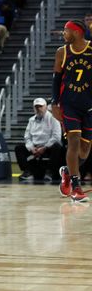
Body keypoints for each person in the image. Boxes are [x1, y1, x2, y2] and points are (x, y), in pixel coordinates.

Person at [53, 20, 92, 201]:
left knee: (84, 151)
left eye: (66, 31)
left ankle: (68, 172)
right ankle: (76, 186)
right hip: (69, 104)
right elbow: (56, 79)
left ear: (76, 33)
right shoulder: (62, 52)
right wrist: (54, 103)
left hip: (89, 106)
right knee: (73, 142)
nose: (63, 34)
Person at [15, 98, 63, 182]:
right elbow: (27, 137)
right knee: (19, 148)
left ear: (45, 107)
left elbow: (56, 137)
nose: (38, 109)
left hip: (48, 147)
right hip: (35, 147)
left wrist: (44, 148)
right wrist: (31, 148)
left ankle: (49, 172)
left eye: (40, 106)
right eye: (36, 107)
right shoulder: (31, 120)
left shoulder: (53, 118)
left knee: (57, 146)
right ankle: (28, 171)